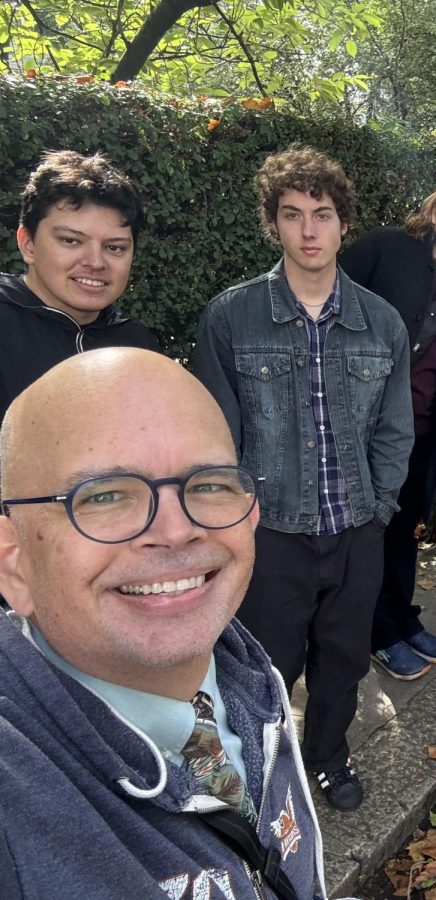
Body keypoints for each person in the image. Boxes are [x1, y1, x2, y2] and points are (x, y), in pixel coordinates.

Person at [0, 349, 328, 898]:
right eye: (104, 496)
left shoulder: (248, 675)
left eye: (207, 483)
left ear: (250, 515)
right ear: (13, 562)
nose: (176, 532)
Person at [194, 145, 413, 811]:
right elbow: (215, 441)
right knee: (263, 666)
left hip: (355, 529)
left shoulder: (382, 322)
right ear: (275, 225)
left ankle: (326, 756)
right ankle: (257, 769)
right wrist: (235, 522)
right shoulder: (232, 317)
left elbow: (394, 428)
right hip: (273, 534)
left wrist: (378, 506)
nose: (309, 231)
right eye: (293, 215)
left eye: (322, 214)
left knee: (344, 661)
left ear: (344, 224)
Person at [341, 173, 436, 680]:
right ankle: (378, 632)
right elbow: (322, 298)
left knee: (402, 535)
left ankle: (400, 620)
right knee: (365, 537)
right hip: (361, 428)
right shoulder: (386, 249)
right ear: (435, 210)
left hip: (426, 436)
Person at [0, 150, 160, 423]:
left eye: (114, 247)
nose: (95, 262)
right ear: (28, 244)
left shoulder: (138, 346)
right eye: (71, 241)